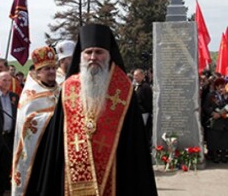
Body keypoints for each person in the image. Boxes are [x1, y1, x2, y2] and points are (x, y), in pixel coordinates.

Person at [23, 23, 157, 196]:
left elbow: (134, 144)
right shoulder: (69, 88)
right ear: (81, 56)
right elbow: (56, 141)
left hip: (115, 176)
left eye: (99, 52)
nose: (93, 57)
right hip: (71, 178)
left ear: (109, 55)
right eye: (88, 52)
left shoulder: (123, 90)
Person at [12, 46, 60, 195]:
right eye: (47, 69)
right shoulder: (30, 95)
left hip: (56, 149)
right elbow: (28, 121)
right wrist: (56, 118)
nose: (52, 72)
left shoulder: (60, 90)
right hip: (37, 152)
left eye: (53, 68)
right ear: (38, 72)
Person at [203, 77, 228, 163]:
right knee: (214, 139)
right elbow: (206, 107)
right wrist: (212, 113)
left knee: (225, 139)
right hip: (215, 121)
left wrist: (222, 112)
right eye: (220, 86)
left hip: (225, 120)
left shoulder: (227, 96)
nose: (222, 88)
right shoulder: (211, 95)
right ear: (216, 87)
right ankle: (215, 156)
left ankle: (224, 156)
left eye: (224, 86)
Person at [133, 68, 153, 145]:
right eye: (134, 76)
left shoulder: (145, 87)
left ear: (142, 76)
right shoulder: (136, 86)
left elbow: (148, 100)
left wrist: (148, 111)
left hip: (143, 112)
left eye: (137, 75)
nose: (135, 77)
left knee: (142, 130)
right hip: (137, 112)